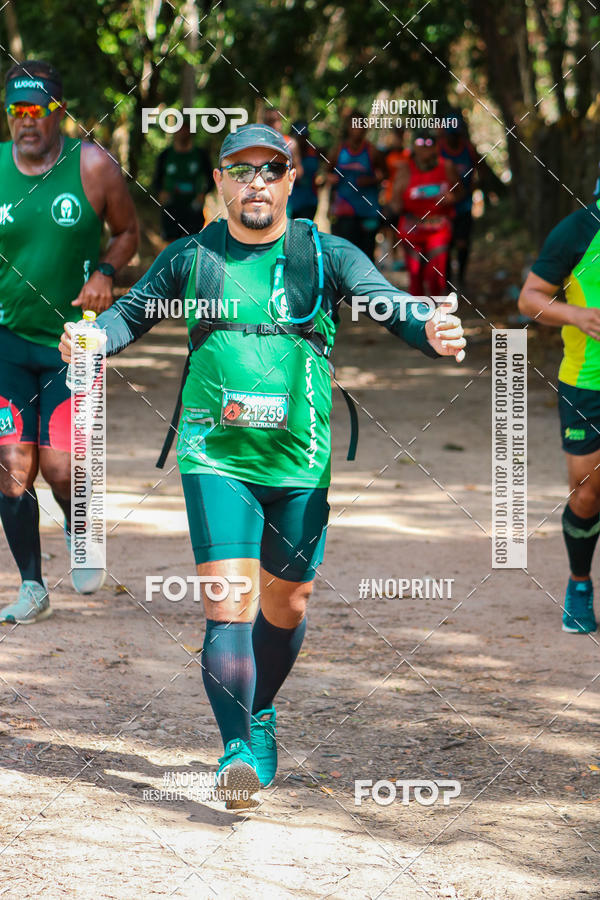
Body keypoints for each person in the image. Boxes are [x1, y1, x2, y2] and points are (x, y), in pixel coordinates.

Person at [59, 123, 466, 807]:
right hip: (213, 452)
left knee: (287, 603)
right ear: (219, 179)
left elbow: (386, 302)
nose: (256, 182)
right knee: (228, 605)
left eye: (270, 170)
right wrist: (92, 340)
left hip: (299, 459)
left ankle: (262, 707)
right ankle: (235, 753)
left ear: (291, 179)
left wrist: (426, 326)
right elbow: (130, 315)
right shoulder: (192, 256)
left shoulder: (323, 252)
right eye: (240, 170)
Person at [0, 60, 138, 625]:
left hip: (73, 341)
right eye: (18, 110)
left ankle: (83, 533)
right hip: (6, 339)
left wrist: (107, 269)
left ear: (59, 112)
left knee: (60, 470)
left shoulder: (93, 166)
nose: (27, 122)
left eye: (39, 110)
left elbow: (128, 231)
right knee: (12, 466)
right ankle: (32, 585)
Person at [518, 187, 600, 634]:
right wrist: (576, 316)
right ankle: (580, 584)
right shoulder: (577, 230)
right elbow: (529, 298)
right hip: (587, 384)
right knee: (587, 494)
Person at [392, 130, 463, 296]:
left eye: (429, 144)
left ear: (437, 147)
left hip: (438, 228)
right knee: (415, 277)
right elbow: (395, 203)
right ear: (413, 147)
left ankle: (437, 316)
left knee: (435, 278)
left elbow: (460, 192)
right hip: (412, 229)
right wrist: (397, 204)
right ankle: (417, 319)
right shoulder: (405, 170)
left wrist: (452, 198)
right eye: (420, 144)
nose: (425, 149)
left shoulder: (446, 166)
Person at [328, 112, 385, 260]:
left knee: (367, 255)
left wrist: (371, 180)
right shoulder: (338, 150)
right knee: (345, 255)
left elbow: (385, 175)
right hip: (344, 212)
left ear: (365, 129)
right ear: (348, 128)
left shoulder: (372, 151)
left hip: (368, 211)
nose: (357, 130)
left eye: (360, 126)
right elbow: (326, 173)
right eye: (354, 126)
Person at [152, 121, 212, 242]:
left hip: (193, 208)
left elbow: (211, 178)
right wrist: (161, 192)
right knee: (170, 243)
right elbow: (156, 180)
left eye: (186, 129)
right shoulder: (165, 155)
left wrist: (203, 194)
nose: (183, 132)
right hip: (171, 206)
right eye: (180, 129)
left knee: (193, 242)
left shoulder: (200, 154)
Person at [439, 118, 478, 290]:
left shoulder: (468, 149)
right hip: (444, 207)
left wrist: (475, 185)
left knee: (462, 243)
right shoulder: (439, 150)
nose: (453, 138)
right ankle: (447, 283)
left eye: (456, 135)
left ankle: (461, 279)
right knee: (446, 244)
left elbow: (480, 168)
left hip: (464, 204)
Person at [287, 120, 321, 220]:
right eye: (298, 137)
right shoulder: (286, 153)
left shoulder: (314, 152)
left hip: (309, 203)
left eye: (304, 136)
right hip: (290, 204)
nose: (301, 140)